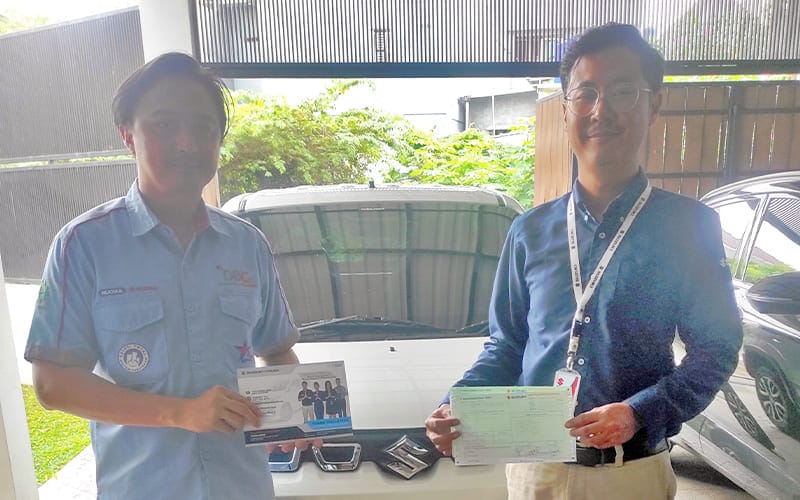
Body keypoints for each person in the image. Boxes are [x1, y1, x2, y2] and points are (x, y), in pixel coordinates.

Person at [424, 23, 743, 500]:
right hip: (535, 473)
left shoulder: (689, 227)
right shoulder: (529, 231)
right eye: (586, 93)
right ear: (565, 108)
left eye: (622, 92)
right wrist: (456, 404)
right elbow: (507, 345)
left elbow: (716, 350)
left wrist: (639, 412)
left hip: (631, 475)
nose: (601, 110)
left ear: (654, 104)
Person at [24, 52, 314, 500]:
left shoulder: (247, 244)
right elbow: (52, 383)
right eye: (164, 125)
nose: (186, 143)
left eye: (204, 128)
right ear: (128, 136)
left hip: (243, 487)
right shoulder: (83, 244)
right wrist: (180, 413)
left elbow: (275, 350)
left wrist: (291, 413)